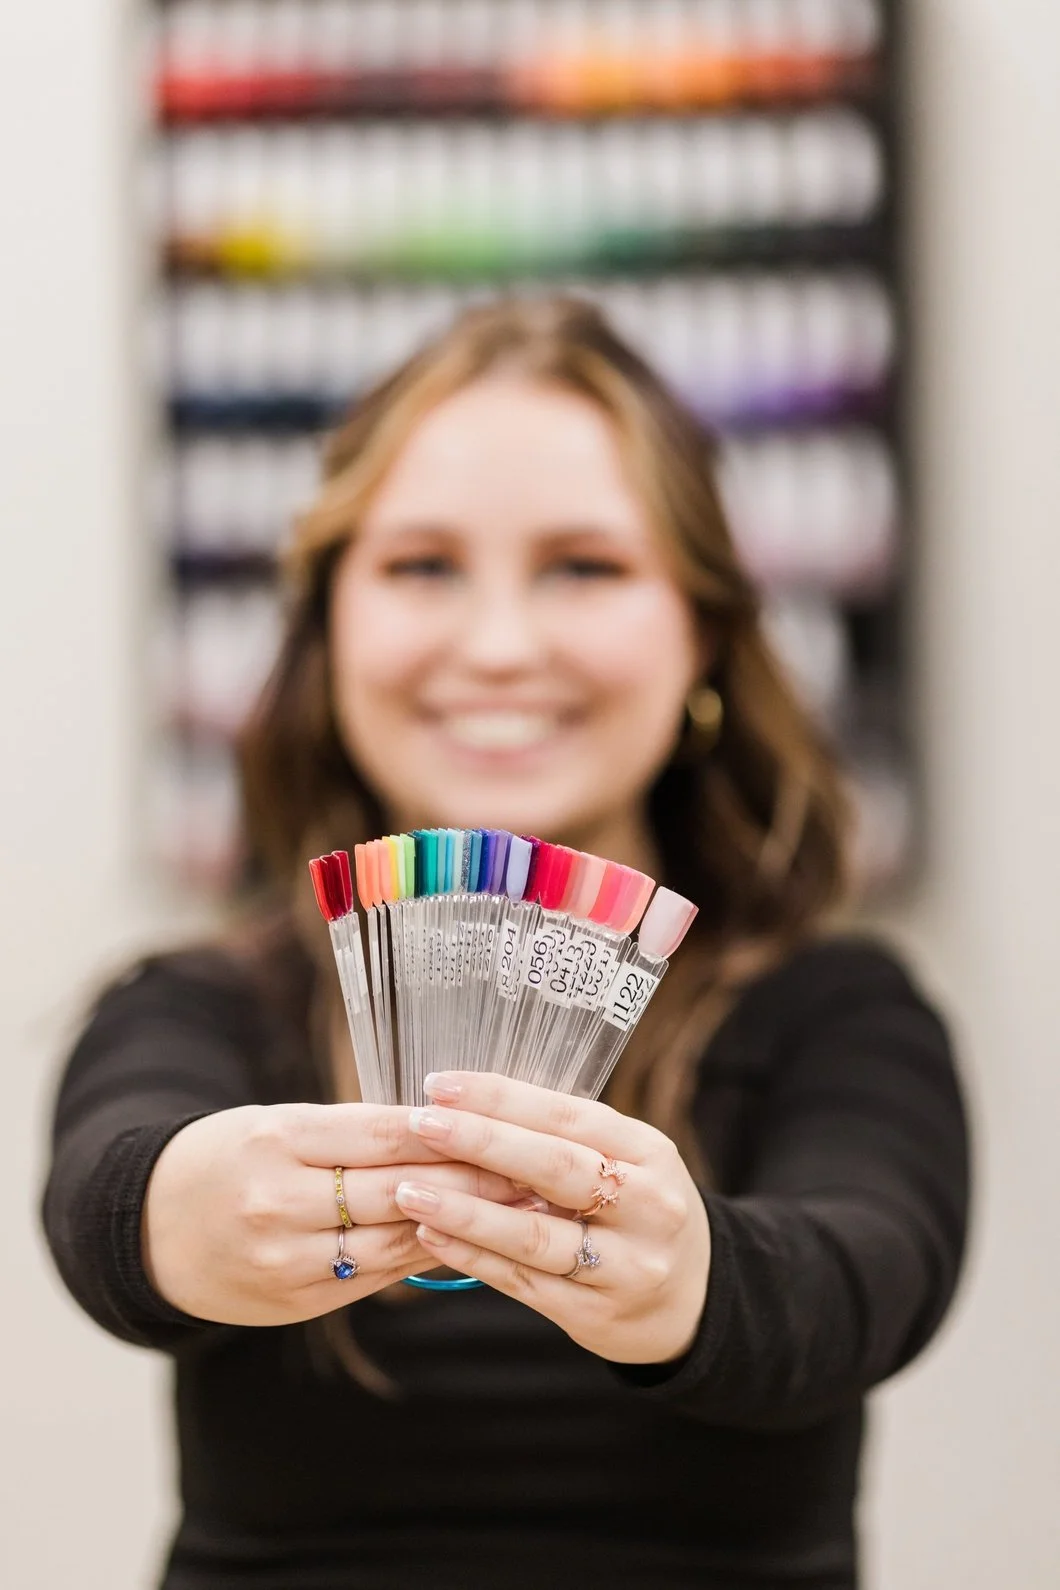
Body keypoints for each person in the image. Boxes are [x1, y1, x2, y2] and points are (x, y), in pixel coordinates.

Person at [43, 297, 969, 1590]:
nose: (497, 646)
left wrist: (695, 1277)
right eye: (422, 565)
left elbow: (864, 1273)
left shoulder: (836, 1009)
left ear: (702, 625)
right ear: (329, 623)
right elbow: (104, 1188)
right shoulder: (198, 1004)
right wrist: (169, 1213)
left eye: (584, 565)